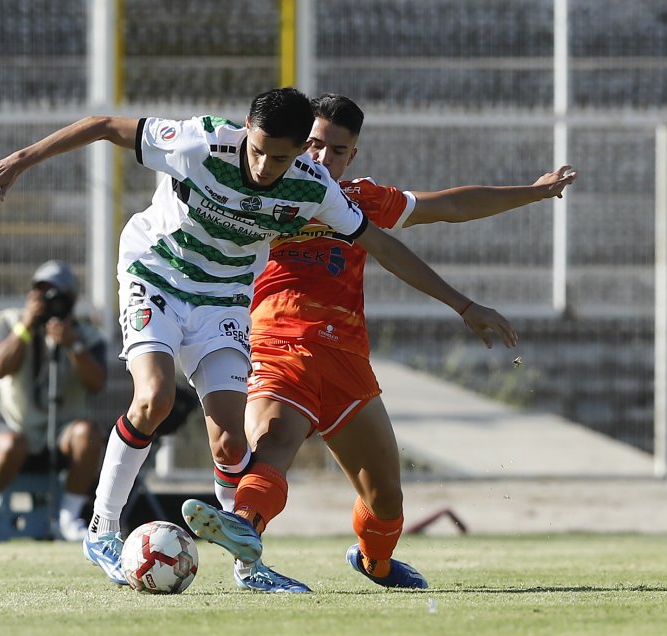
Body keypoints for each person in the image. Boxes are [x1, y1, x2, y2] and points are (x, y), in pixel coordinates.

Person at [0, 87, 515, 587]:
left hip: (223, 298)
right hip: (158, 276)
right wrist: (20, 159)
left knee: (229, 442)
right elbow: (104, 125)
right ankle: (100, 529)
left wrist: (463, 305)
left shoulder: (312, 185)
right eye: (259, 149)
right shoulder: (197, 142)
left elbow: (382, 245)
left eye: (282, 156)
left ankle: (249, 565)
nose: (268, 166)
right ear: (245, 130)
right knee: (154, 398)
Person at [182, 93, 577, 592]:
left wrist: (535, 193)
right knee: (276, 439)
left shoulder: (360, 200)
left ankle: (376, 564)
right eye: (314, 146)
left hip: (346, 356)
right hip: (279, 340)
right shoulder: (260, 194)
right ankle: (245, 532)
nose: (322, 159)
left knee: (386, 498)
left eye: (337, 151)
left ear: (353, 157)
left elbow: (451, 205)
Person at [0, 260, 108, 546]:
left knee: (89, 434)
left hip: (61, 429)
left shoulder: (88, 336)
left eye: (57, 295)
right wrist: (26, 327)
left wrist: (73, 345)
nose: (49, 301)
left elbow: (97, 384)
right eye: (42, 293)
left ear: (72, 299)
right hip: (9, 421)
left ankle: (70, 516)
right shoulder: (10, 321)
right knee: (9, 443)